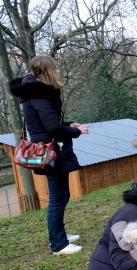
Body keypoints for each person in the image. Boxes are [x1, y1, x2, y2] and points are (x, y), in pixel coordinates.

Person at [9, 55, 89, 255]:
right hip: (50, 151)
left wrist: (70, 124)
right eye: (55, 68)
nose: (57, 71)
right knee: (57, 197)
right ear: (46, 71)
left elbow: (52, 121)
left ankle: (59, 233)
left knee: (62, 195)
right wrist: (76, 132)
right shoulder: (39, 96)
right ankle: (58, 244)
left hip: (52, 148)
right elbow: (52, 127)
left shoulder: (36, 94)